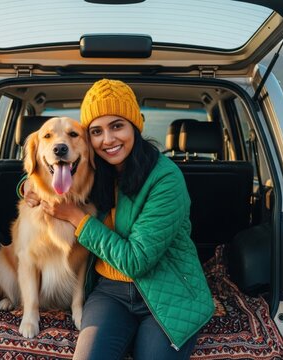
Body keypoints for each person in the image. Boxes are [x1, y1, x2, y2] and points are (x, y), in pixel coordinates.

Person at [31, 79, 214, 359]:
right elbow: (43, 170)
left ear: (135, 127)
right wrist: (26, 186)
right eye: (96, 131)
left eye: (117, 126)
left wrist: (78, 219)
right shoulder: (93, 168)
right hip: (109, 292)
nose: (108, 140)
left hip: (166, 289)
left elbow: (135, 261)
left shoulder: (166, 178)